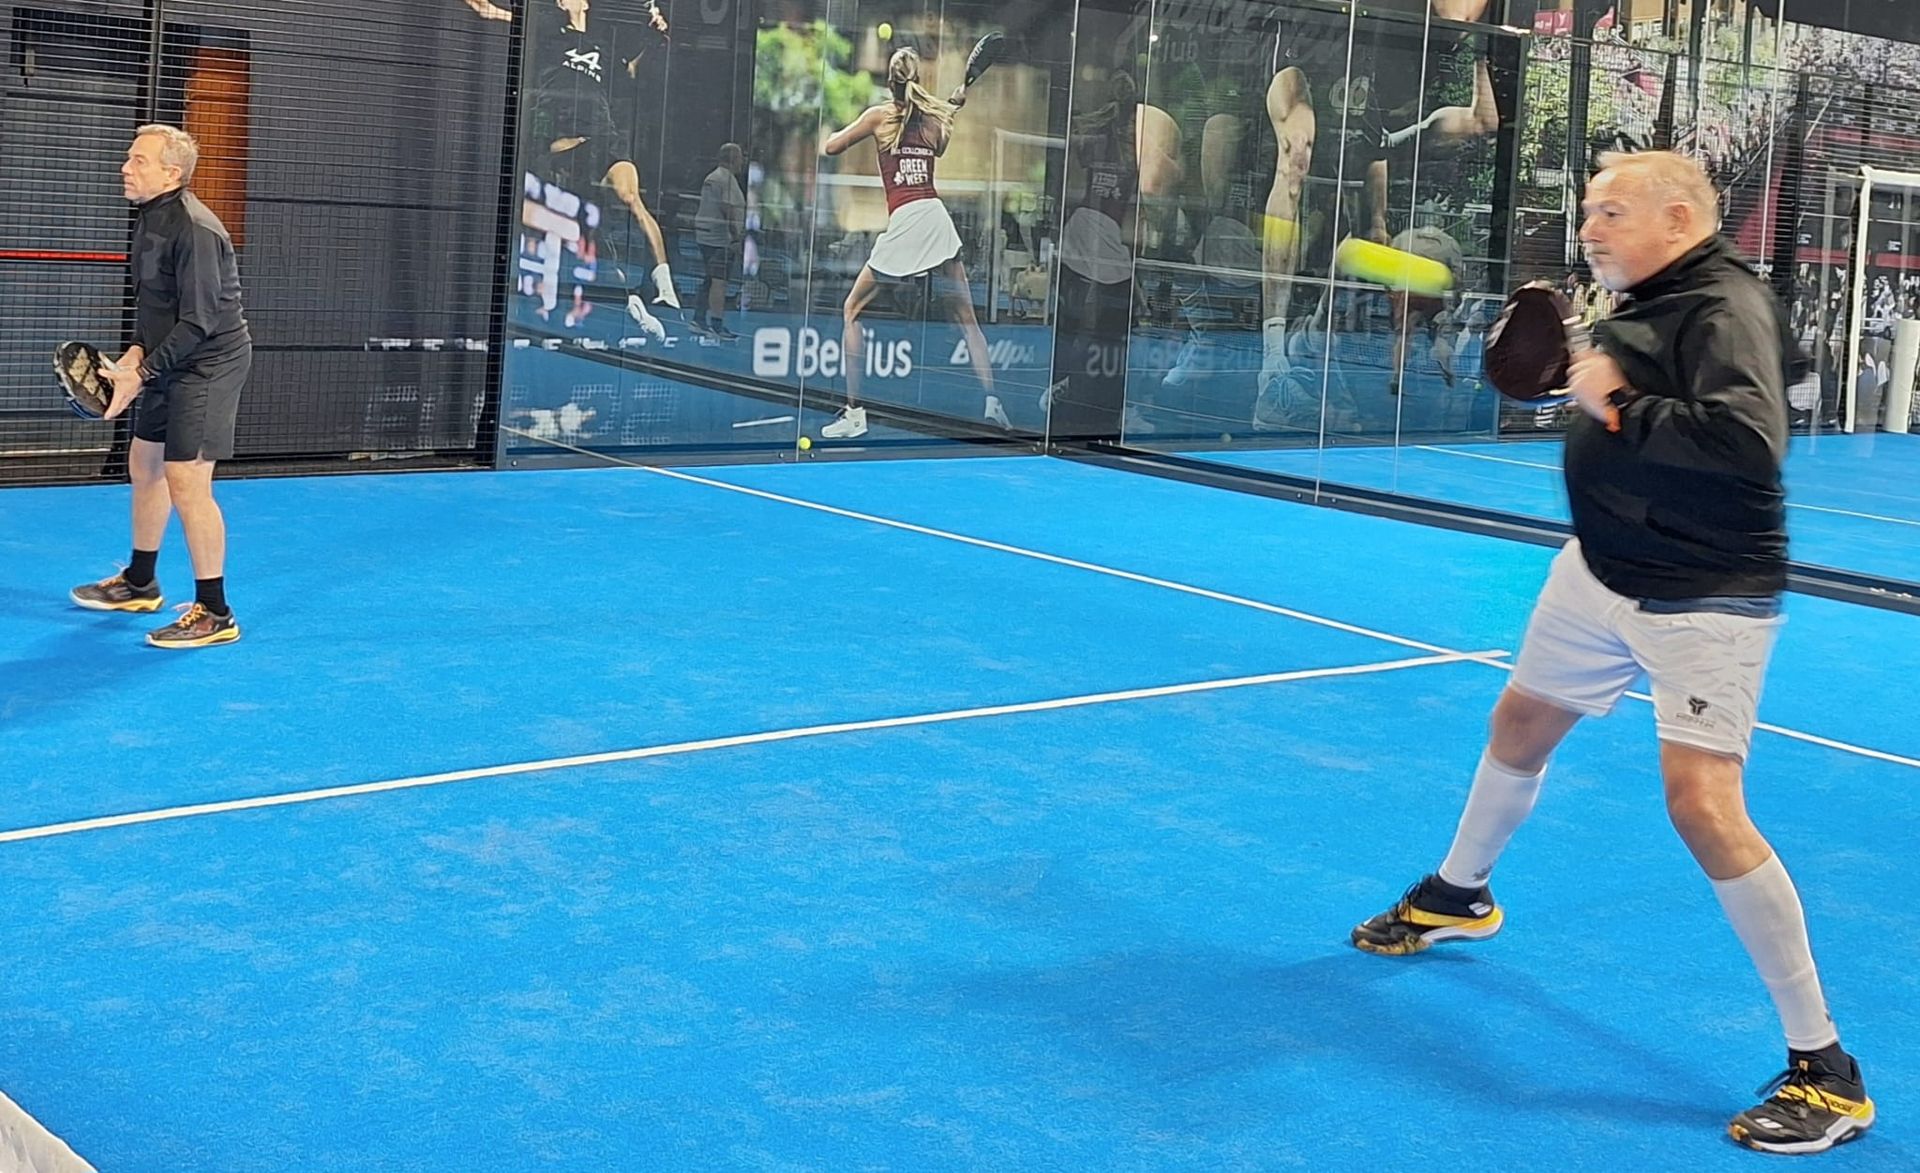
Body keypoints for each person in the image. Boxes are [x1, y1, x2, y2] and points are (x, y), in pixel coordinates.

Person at [1350, 151, 1874, 1155]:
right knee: (1521, 723)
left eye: (1612, 212)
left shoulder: (1721, 304)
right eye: (1588, 210)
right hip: (1600, 567)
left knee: (1703, 805)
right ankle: (1459, 894)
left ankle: (1827, 1070)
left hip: (1703, 591)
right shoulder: (1656, 289)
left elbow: (1746, 443)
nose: (1590, 227)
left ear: (1678, 218)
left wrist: (1617, 398)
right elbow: (1745, 373)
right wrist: (1596, 374)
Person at [70, 125, 252, 649]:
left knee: (186, 479)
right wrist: (133, 357)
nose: (125, 167)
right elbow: (155, 308)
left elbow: (198, 322)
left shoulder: (196, 229)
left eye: (138, 160)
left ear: (171, 173)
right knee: (145, 463)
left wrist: (142, 374)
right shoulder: (150, 216)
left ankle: (215, 612)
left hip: (209, 364)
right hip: (169, 358)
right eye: (129, 158)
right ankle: (140, 582)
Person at [818, 46, 999, 440]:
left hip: (907, 219)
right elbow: (941, 143)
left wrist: (832, 130)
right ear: (918, 79)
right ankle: (992, 402)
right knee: (967, 319)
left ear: (890, 81)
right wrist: (951, 107)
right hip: (935, 217)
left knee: (851, 310)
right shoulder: (932, 120)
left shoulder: (878, 116)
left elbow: (830, 147)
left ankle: (855, 413)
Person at [526, 0, 680, 341]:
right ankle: (625, 300)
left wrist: (654, 39)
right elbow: (497, 16)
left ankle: (665, 286)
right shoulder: (549, 36)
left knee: (631, 198)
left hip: (605, 138)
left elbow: (631, 71)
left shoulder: (602, 47)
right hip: (566, 142)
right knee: (587, 228)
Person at [691, 142, 747, 341]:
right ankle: (716, 324)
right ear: (734, 159)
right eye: (740, 157)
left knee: (710, 279)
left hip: (708, 236)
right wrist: (736, 236)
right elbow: (727, 209)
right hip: (720, 239)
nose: (743, 161)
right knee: (719, 282)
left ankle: (698, 319)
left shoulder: (714, 177)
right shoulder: (725, 179)